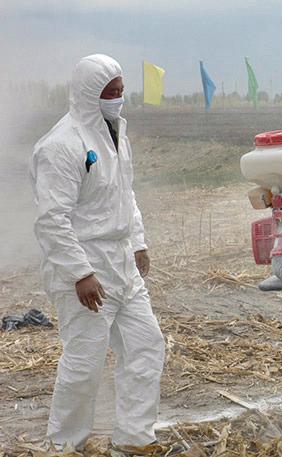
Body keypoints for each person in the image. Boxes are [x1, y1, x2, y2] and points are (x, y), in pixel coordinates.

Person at [29, 54, 165, 448]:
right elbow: (52, 219)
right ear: (91, 94)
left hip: (121, 262)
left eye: (122, 92)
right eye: (112, 93)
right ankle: (65, 445)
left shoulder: (116, 133)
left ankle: (134, 438)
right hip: (86, 266)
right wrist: (80, 274)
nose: (119, 100)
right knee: (85, 363)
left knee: (146, 345)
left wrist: (137, 242)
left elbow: (126, 193)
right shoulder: (61, 146)